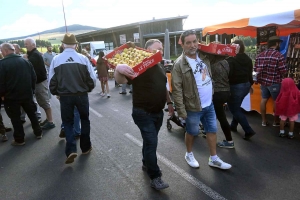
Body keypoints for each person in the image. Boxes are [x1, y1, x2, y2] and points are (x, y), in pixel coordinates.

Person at [114, 39, 174, 190]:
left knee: (149, 143)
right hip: (143, 113)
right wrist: (118, 69)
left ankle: (146, 163)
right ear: (146, 50)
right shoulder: (139, 65)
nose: (158, 52)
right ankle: (155, 177)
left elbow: (163, 87)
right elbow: (121, 80)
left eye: (161, 49)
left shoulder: (159, 65)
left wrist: (170, 103)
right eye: (155, 49)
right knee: (151, 143)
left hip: (158, 113)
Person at [171, 30, 231, 170]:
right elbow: (177, 89)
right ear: (183, 45)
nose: (192, 45)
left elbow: (222, 57)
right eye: (188, 43)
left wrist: (230, 49)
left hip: (209, 103)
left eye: (194, 41)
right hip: (193, 106)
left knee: (212, 130)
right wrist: (181, 110)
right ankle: (189, 154)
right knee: (192, 132)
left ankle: (214, 159)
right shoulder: (179, 64)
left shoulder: (204, 56)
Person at [49, 33, 96, 164]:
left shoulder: (56, 59)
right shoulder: (83, 58)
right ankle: (86, 147)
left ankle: (71, 150)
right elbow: (92, 78)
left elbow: (51, 80)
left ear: (63, 45)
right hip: (81, 95)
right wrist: (89, 89)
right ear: (76, 45)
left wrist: (56, 93)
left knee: (68, 122)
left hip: (65, 96)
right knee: (85, 120)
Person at [0, 43, 43, 145]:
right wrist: (31, 90)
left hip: (11, 97)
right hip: (27, 94)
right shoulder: (25, 61)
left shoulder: (2, 64)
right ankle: (38, 132)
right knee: (32, 114)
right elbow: (34, 77)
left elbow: (1, 82)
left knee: (15, 118)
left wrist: (2, 95)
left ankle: (19, 139)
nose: (2, 53)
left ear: (5, 51)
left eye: (2, 51)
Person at [254, 36, 287, 127]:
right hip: (275, 82)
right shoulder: (279, 55)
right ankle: (275, 121)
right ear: (277, 44)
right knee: (277, 101)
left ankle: (264, 121)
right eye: (279, 43)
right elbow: (284, 70)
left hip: (263, 82)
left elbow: (255, 69)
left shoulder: (260, 55)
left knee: (264, 99)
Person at [226, 40, 256, 140]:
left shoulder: (231, 59)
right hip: (246, 85)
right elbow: (250, 72)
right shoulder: (247, 58)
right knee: (237, 106)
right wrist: (251, 84)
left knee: (234, 108)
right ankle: (233, 125)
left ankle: (248, 130)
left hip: (235, 86)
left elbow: (229, 74)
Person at [24, 37, 55, 130]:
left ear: (33, 45)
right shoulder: (33, 54)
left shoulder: (35, 55)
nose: (25, 46)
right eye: (25, 44)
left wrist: (26, 59)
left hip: (40, 82)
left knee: (44, 101)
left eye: (27, 44)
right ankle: (48, 119)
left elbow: (28, 65)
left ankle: (50, 121)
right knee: (42, 101)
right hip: (38, 82)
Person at [204, 52, 233, 148]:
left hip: (217, 93)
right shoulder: (225, 62)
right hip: (226, 91)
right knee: (215, 113)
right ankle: (207, 131)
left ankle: (229, 141)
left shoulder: (211, 65)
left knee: (221, 117)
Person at [13, 43, 42, 123]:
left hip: (26, 84)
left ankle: (37, 115)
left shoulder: (24, 57)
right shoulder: (12, 59)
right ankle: (22, 118)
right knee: (21, 103)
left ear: (18, 49)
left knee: (32, 101)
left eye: (14, 49)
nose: (13, 50)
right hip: (17, 85)